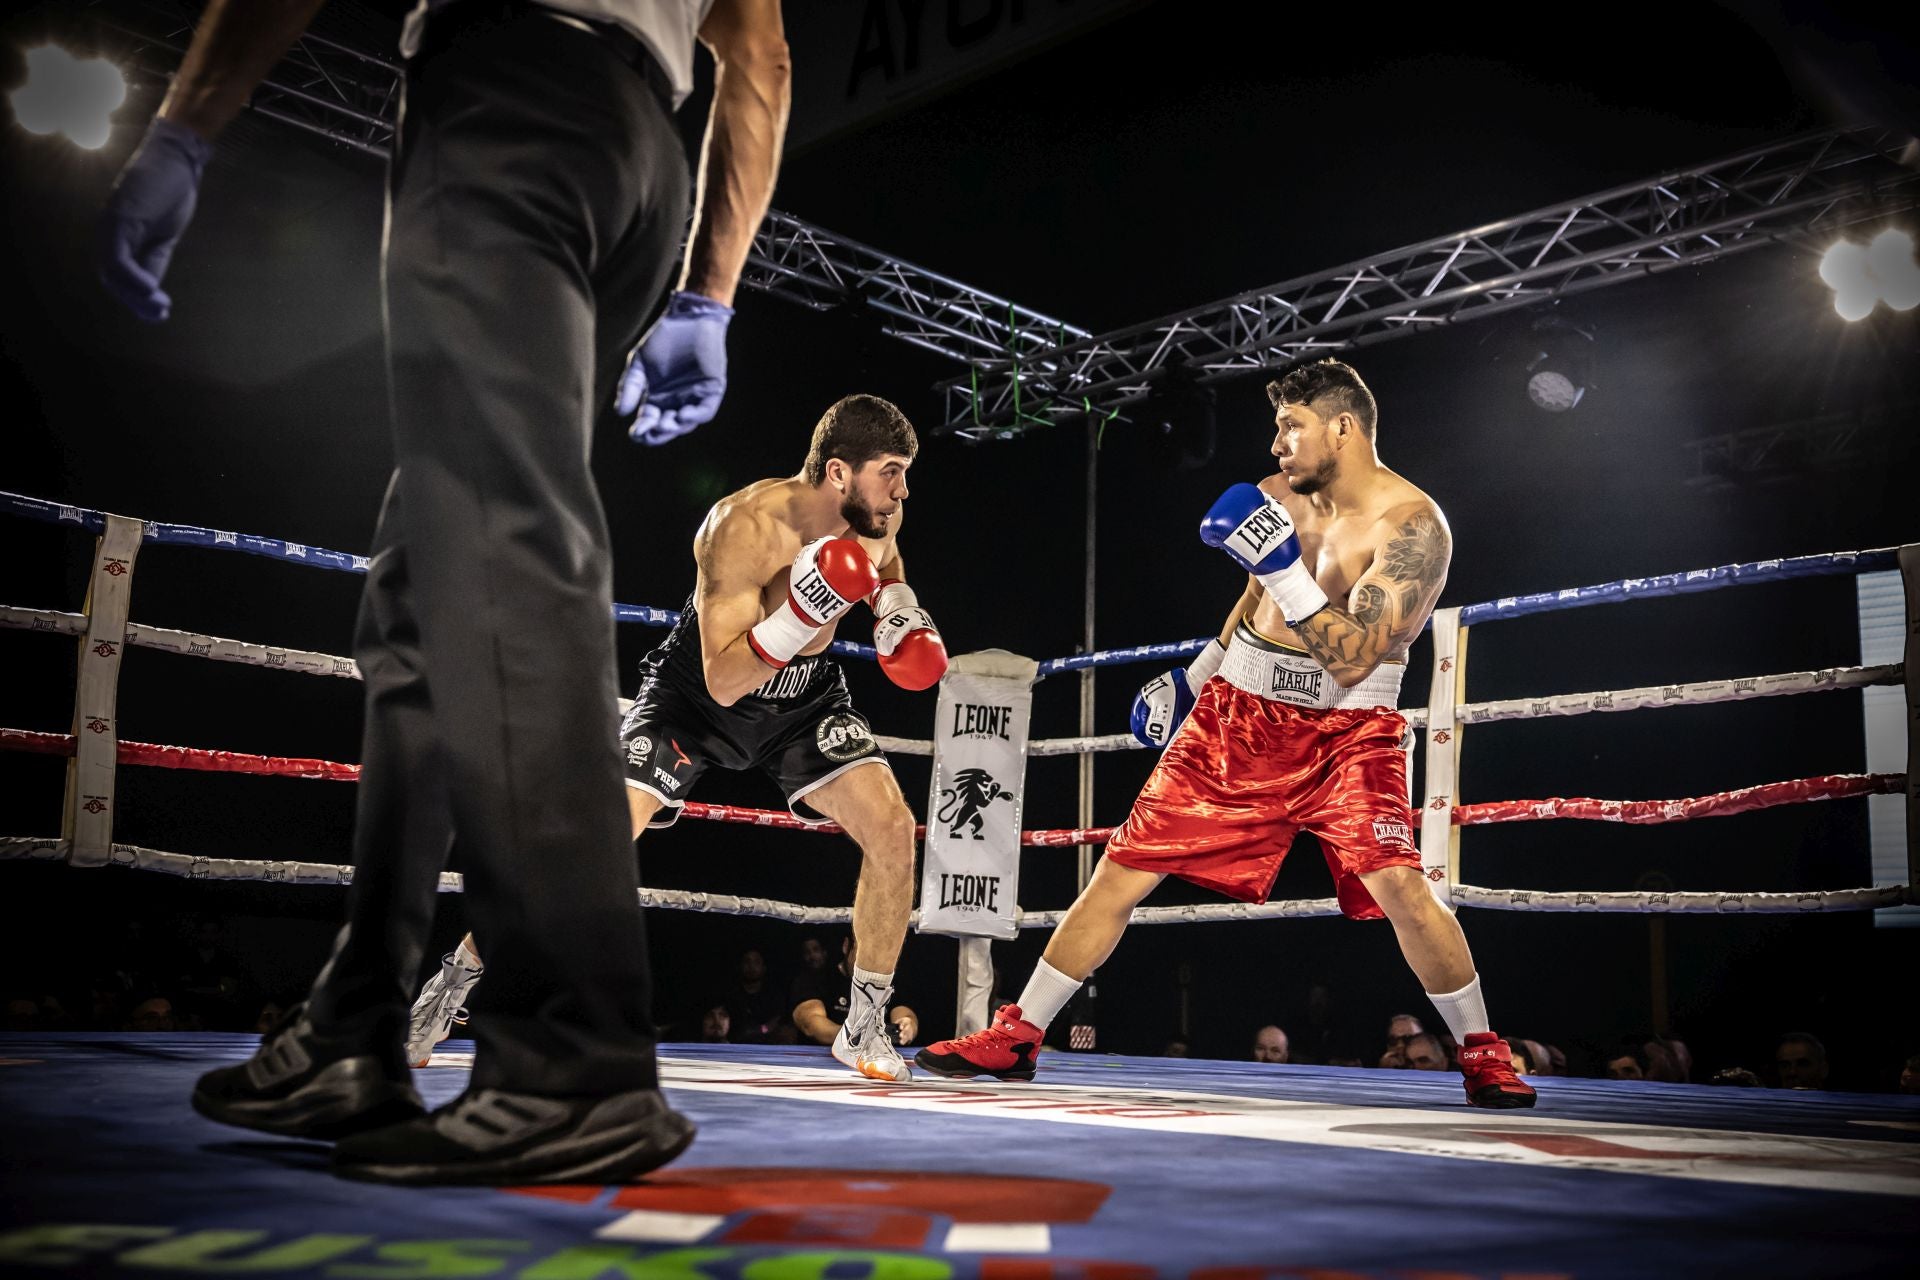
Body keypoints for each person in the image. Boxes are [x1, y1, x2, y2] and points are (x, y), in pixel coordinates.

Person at [102, 0, 793, 1186]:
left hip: (508, 97)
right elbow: (760, 53)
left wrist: (182, 127)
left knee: (506, 541)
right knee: (428, 573)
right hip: (641, 154)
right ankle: (355, 1025)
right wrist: (710, 292)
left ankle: (575, 1052)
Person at [918, 360, 1535, 1109]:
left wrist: (1285, 573)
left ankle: (1481, 1051)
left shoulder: (1412, 528)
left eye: (1291, 426)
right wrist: (1196, 676)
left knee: (1401, 884)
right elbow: (1251, 596)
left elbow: (1350, 660)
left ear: (1342, 427)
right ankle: (1018, 1033)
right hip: (1236, 717)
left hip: (1348, 731)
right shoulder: (1278, 496)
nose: (1277, 443)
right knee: (1123, 867)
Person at [410, 394, 945, 1082]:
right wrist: (797, 614)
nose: (902, 490)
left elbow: (888, 564)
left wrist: (897, 609)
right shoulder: (742, 526)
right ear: (839, 472)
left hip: (803, 702)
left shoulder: (876, 516)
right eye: (892, 471)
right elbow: (724, 678)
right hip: (696, 699)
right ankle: (455, 981)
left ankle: (865, 1020)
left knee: (895, 830)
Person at [791, 935, 920, 1054]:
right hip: (822, 1061)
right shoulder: (816, 979)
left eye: (876, 956)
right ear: (846, 946)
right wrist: (851, 1036)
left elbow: (905, 1014)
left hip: (873, 1063)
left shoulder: (886, 982)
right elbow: (811, 1022)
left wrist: (907, 1026)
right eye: (864, 954)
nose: (869, 964)